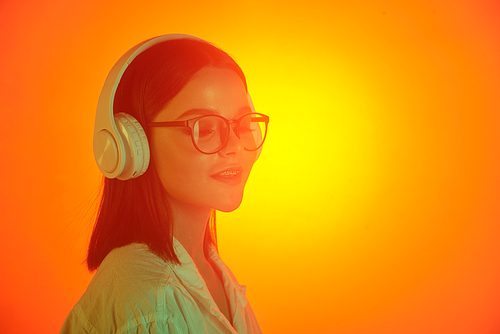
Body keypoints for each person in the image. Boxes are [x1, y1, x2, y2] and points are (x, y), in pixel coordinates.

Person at [60, 34, 268, 334]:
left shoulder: (207, 267)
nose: (234, 145)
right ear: (132, 144)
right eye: (206, 128)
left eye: (243, 123)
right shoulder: (152, 308)